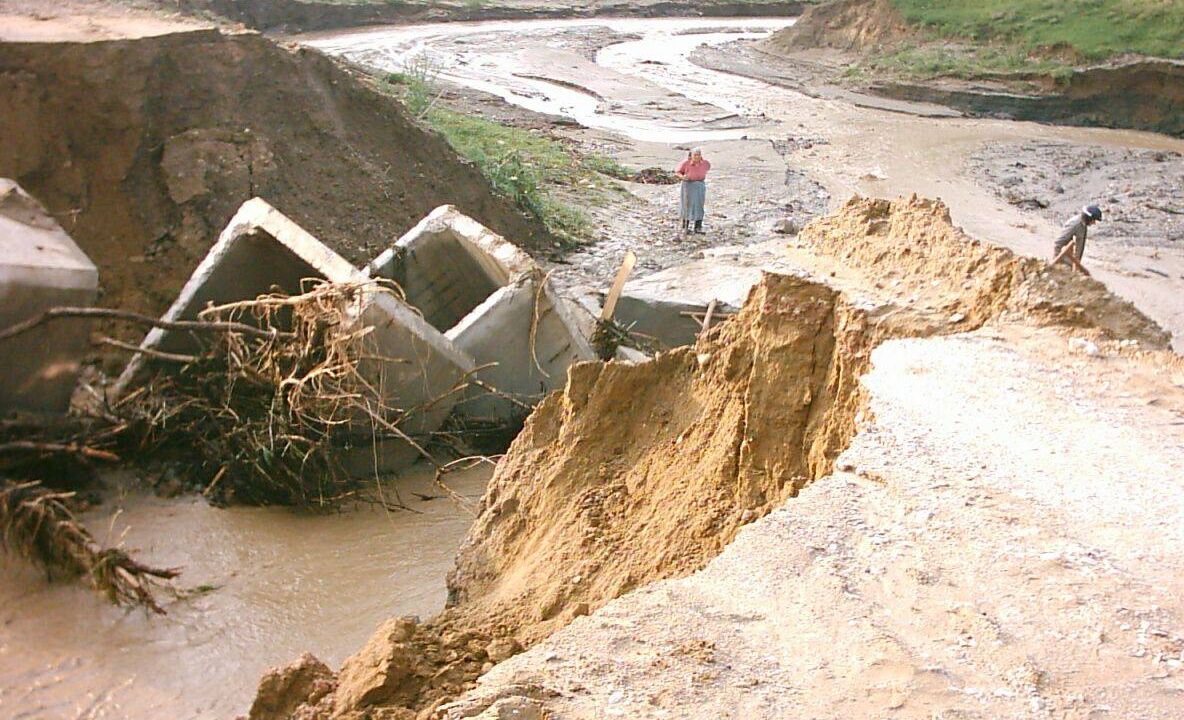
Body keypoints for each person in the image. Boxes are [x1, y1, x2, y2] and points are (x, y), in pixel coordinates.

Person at [1053, 204, 1102, 270]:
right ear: (1088, 218)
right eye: (1094, 220)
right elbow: (1058, 243)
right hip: (1064, 260)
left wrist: (1076, 264)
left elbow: (1080, 245)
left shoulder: (1083, 224)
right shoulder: (1074, 225)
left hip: (1073, 261)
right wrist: (1057, 262)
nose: (1094, 223)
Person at [675, 147, 711, 234]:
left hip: (700, 185)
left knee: (699, 205)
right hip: (688, 185)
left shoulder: (705, 163)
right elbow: (677, 172)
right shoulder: (685, 163)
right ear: (691, 156)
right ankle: (685, 227)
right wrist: (683, 177)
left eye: (698, 155)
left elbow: (707, 169)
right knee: (687, 205)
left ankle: (698, 227)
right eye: (695, 155)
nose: (697, 157)